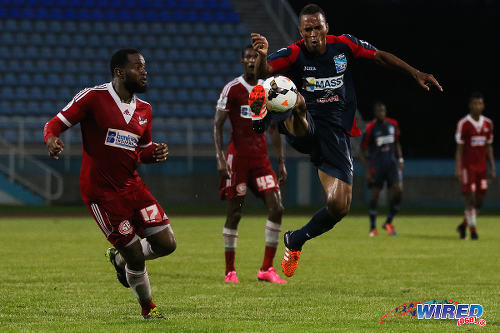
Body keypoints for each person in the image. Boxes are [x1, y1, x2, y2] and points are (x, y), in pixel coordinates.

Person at [249, 3, 442, 277]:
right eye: (308, 30)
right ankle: (265, 115)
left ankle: (296, 239)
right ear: (300, 31)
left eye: (318, 27)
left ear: (327, 27)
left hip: (336, 135)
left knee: (339, 206)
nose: (313, 34)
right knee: (297, 100)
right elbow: (262, 73)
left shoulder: (344, 46)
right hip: (306, 126)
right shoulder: (295, 52)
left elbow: (381, 56)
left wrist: (414, 72)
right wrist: (262, 57)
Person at [43, 49, 176, 319]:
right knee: (136, 256)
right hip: (102, 194)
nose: (144, 71)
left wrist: (154, 154)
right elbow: (54, 124)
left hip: (133, 187)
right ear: (119, 72)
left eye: (144, 66)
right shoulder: (93, 97)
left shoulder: (144, 110)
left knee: (167, 243)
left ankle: (118, 258)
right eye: (138, 67)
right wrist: (51, 139)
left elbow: (141, 151)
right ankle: (148, 308)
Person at [214, 45, 287, 284]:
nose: (251, 61)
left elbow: (274, 127)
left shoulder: (268, 89)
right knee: (235, 212)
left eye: (255, 57)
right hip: (238, 160)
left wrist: (281, 161)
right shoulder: (233, 89)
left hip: (261, 159)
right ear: (242, 61)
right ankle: (229, 270)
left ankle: (266, 268)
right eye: (247, 57)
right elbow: (218, 125)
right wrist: (220, 157)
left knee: (277, 207)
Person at [359, 102, 403, 237]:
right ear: (375, 113)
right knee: (374, 197)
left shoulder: (392, 124)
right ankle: (373, 227)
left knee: (398, 191)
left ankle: (388, 222)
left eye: (383, 111)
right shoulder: (371, 128)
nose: (381, 113)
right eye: (378, 111)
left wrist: (400, 159)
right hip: (377, 167)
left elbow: (396, 143)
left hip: (391, 165)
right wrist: (367, 171)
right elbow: (361, 151)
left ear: (385, 111)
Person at [455, 92, 495, 240]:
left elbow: (489, 147)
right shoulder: (463, 123)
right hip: (468, 167)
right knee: (470, 199)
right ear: (470, 105)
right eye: (475, 103)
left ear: (483, 106)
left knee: (479, 202)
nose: (478, 106)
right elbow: (459, 149)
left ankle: (463, 225)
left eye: (480, 103)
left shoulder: (488, 124)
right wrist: (458, 168)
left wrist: (492, 167)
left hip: (482, 168)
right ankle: (473, 231)